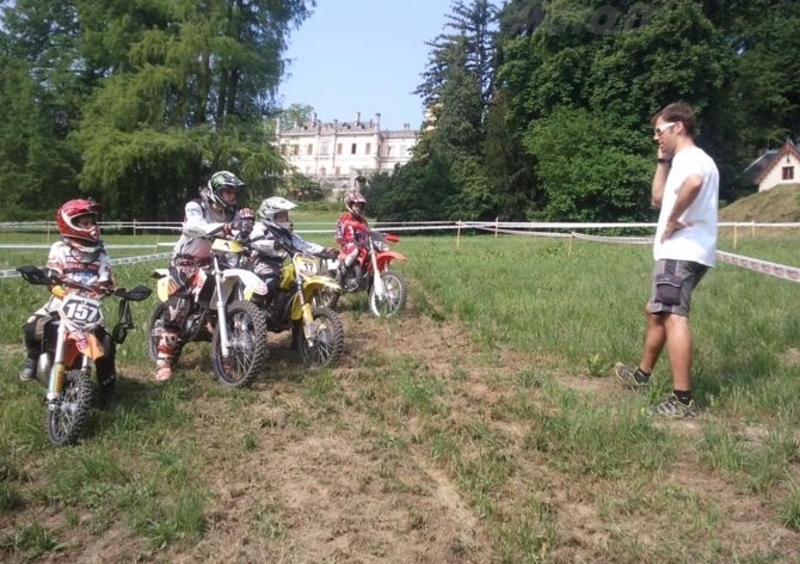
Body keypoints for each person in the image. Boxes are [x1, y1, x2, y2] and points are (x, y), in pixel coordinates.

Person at [615, 102, 719, 418]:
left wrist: (673, 220)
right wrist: (662, 160)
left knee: (674, 316)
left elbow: (694, 184)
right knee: (656, 311)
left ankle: (682, 400)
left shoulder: (691, 159)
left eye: (659, 131)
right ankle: (641, 375)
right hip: (689, 252)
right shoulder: (686, 161)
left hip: (680, 250)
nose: (655, 137)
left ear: (679, 127)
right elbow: (657, 198)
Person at [154, 170, 254, 381]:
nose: (232, 196)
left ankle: (225, 358)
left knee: (226, 305)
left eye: (234, 192)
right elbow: (195, 226)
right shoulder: (196, 206)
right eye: (227, 192)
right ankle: (163, 360)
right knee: (179, 308)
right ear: (216, 191)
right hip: (186, 260)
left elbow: (239, 236)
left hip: (215, 261)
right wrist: (227, 227)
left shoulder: (233, 213)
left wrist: (246, 230)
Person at [20, 199, 118, 405]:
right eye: (85, 223)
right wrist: (54, 284)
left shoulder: (101, 253)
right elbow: (53, 273)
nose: (92, 227)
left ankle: (107, 387)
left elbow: (106, 278)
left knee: (106, 344)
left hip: (90, 305)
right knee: (32, 326)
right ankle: (32, 358)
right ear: (70, 223)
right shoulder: (59, 248)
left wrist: (107, 288)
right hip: (61, 301)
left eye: (93, 222)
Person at [248, 196, 338, 305]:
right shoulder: (260, 228)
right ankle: (252, 307)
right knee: (270, 282)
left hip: (280, 266)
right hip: (262, 263)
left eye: (285, 215)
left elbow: (303, 245)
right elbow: (253, 242)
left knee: (293, 284)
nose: (285, 219)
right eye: (281, 216)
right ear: (269, 216)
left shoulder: (286, 233)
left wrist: (324, 250)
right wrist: (273, 245)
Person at [334, 185, 370, 289]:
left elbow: (368, 233)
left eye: (360, 206)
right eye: (356, 205)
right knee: (354, 250)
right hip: (348, 245)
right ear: (350, 205)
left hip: (362, 245)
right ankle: (342, 273)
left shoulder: (363, 221)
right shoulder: (344, 218)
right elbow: (338, 234)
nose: (358, 208)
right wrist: (348, 240)